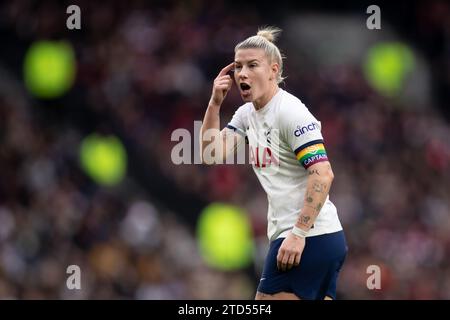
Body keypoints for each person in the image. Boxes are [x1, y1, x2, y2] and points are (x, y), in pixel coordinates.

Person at [200, 26, 347, 300]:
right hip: (313, 238)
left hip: (307, 237)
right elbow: (211, 154)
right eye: (238, 66)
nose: (242, 73)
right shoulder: (247, 115)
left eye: (252, 65)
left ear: (273, 70)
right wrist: (214, 104)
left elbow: (323, 174)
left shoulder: (291, 112)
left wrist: (299, 233)